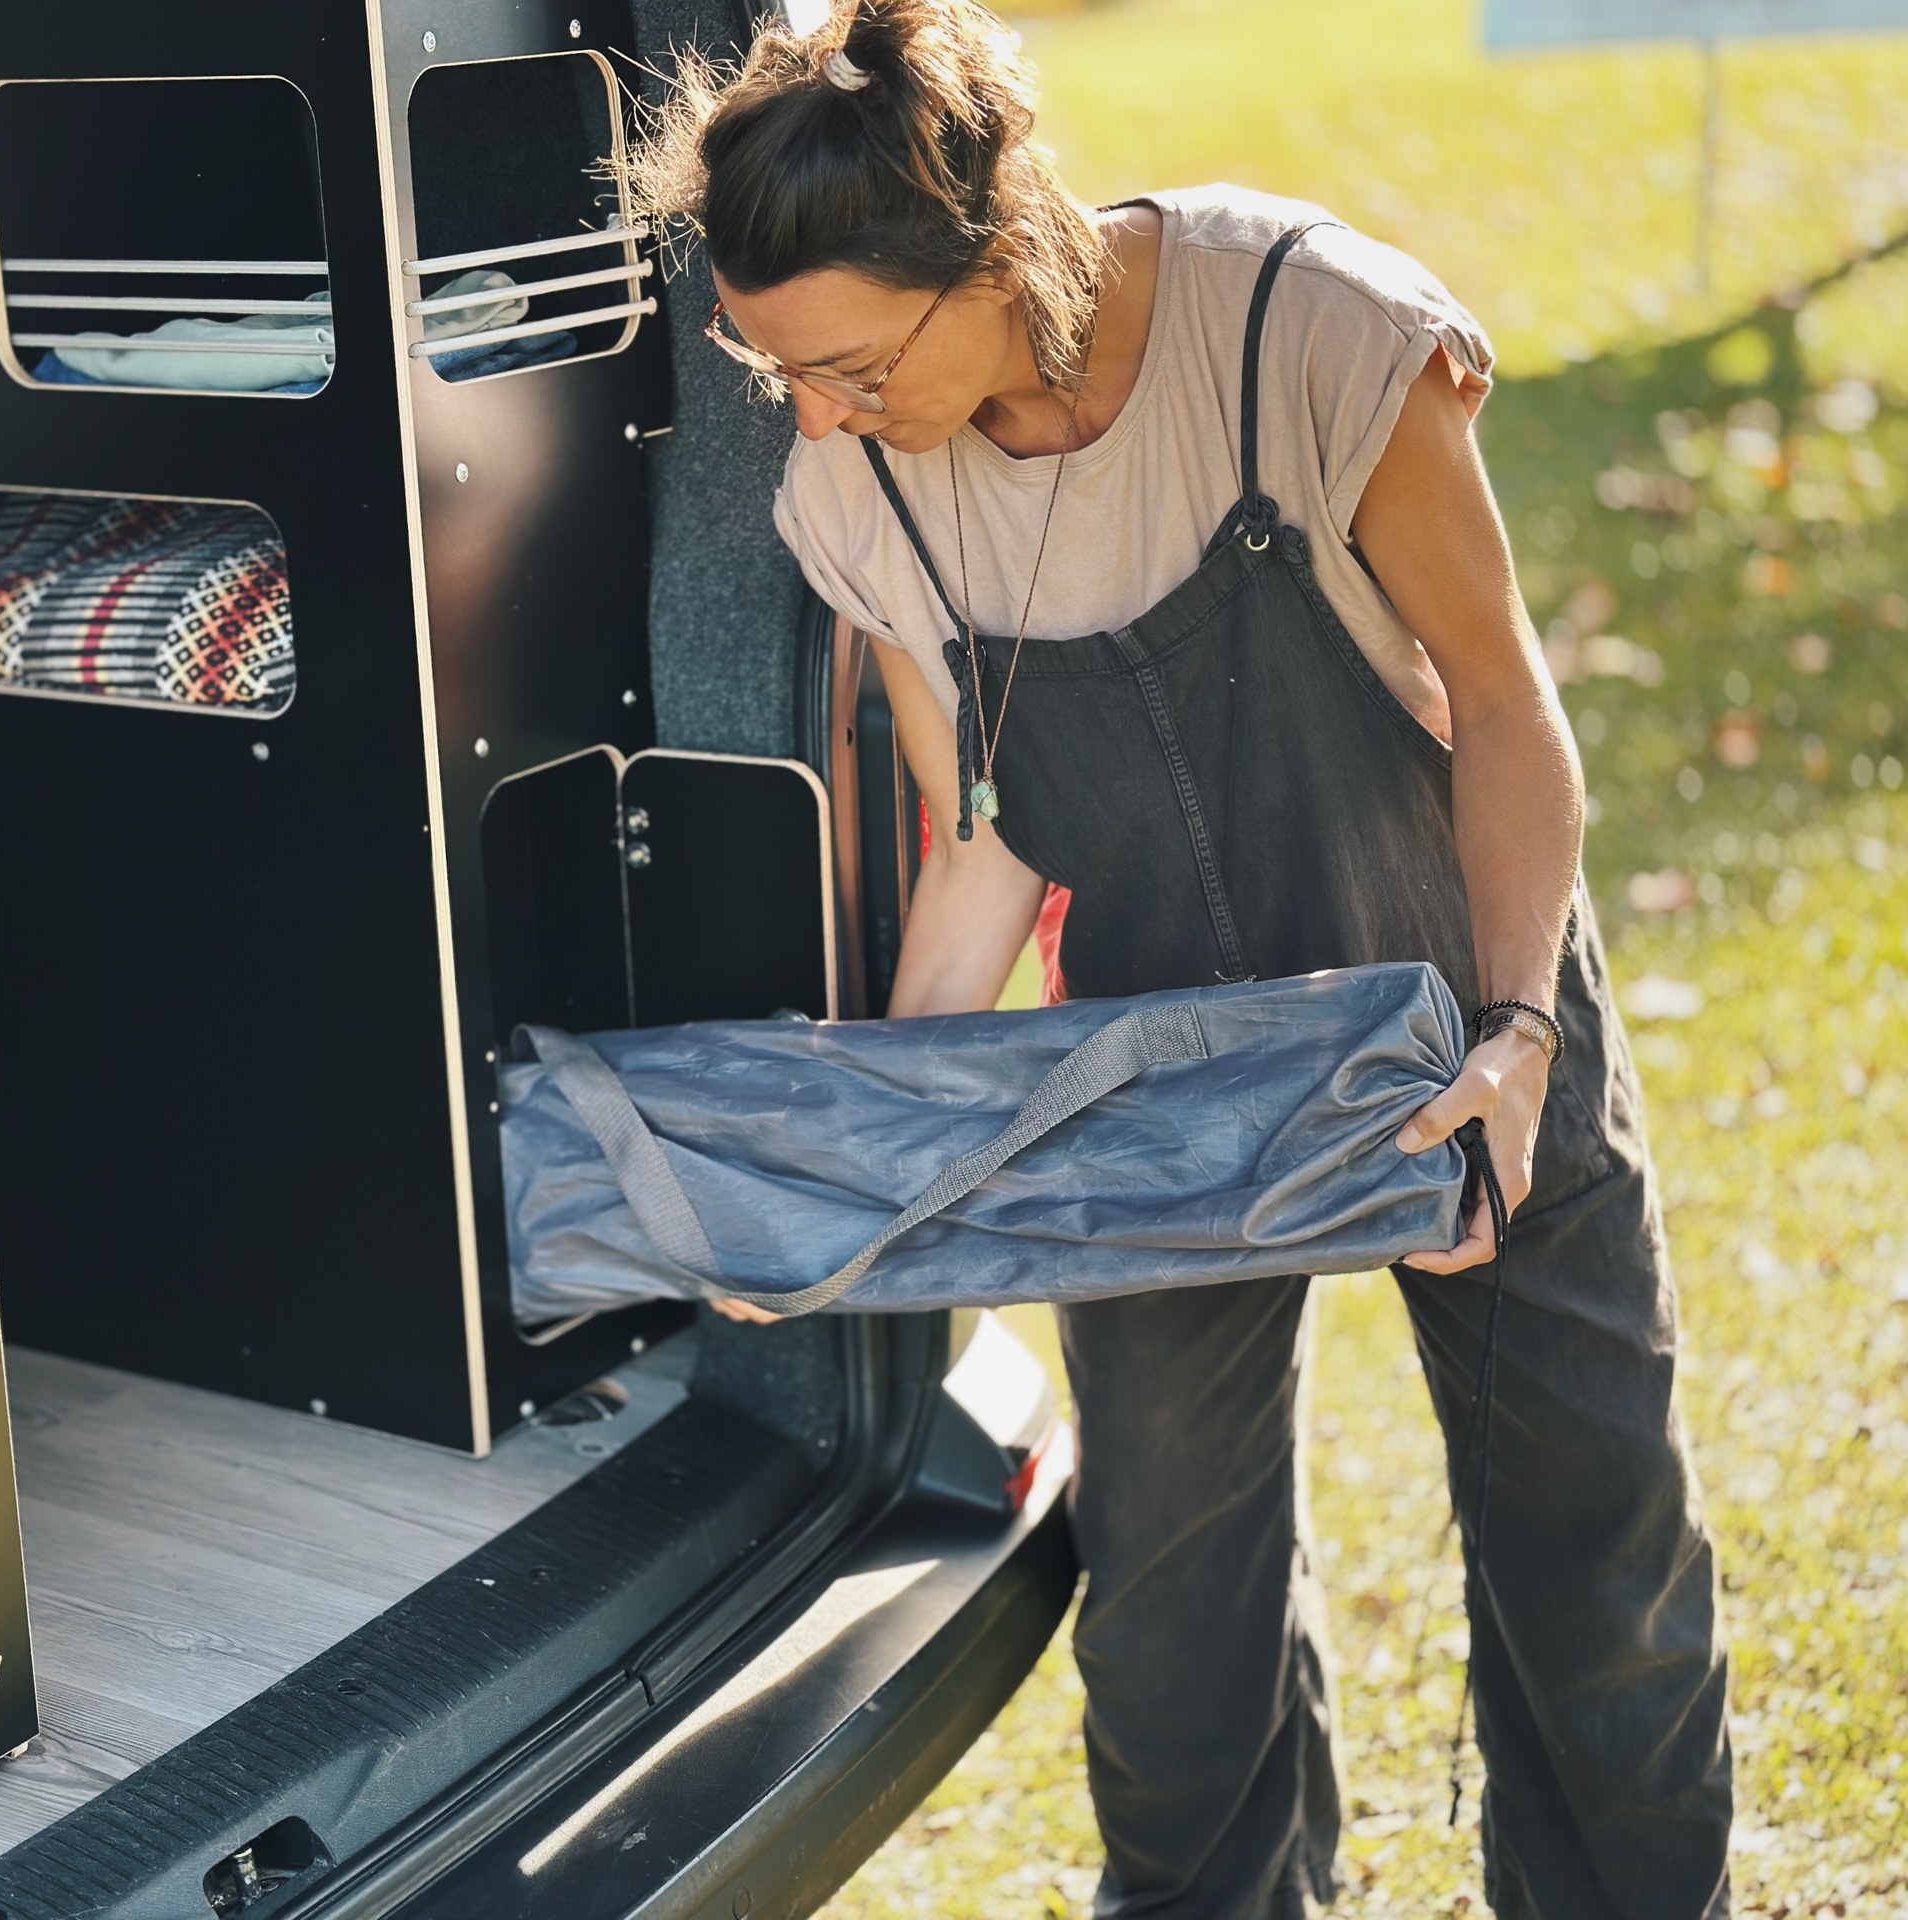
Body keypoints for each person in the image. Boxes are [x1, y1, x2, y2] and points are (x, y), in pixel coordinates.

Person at [621, 1, 1734, 1911]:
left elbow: (1505, 710)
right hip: (1147, 1076)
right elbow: (986, 831)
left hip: (1460, 1006)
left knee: (1592, 1568)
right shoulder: (859, 483)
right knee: (1168, 1630)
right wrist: (872, 1164)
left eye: (849, 363)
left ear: (989, 255)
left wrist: (1522, 1034)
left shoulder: (1311, 327)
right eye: (769, 367)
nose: (810, 414)